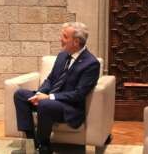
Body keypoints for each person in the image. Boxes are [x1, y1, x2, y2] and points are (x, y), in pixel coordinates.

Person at [13, 22, 100, 154]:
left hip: (69, 108)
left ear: (76, 42)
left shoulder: (91, 64)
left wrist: (49, 97)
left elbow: (78, 94)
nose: (60, 39)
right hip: (48, 100)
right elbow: (51, 79)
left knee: (45, 104)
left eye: (65, 37)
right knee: (20, 94)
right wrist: (40, 93)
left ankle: (44, 146)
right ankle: (31, 144)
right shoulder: (62, 56)